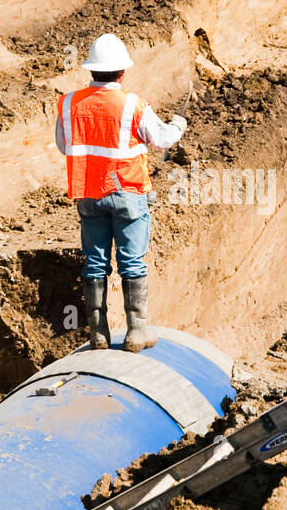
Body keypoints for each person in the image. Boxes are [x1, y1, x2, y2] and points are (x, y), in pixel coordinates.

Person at [54, 33, 187, 352]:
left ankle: (98, 333)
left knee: (95, 263)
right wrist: (179, 125)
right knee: (132, 262)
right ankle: (135, 332)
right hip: (128, 192)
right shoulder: (132, 104)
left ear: (91, 70)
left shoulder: (69, 102)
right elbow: (162, 138)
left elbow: (63, 146)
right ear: (122, 72)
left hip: (88, 194)